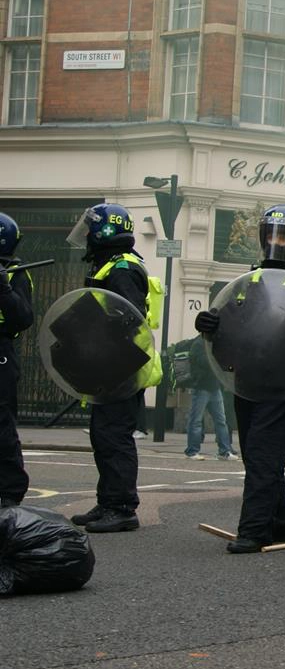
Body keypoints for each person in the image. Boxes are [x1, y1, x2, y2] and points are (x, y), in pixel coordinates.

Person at [195, 205, 285, 553]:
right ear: (263, 238)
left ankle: (254, 530)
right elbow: (230, 326)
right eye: (272, 234)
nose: (277, 241)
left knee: (263, 455)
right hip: (246, 381)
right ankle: (279, 524)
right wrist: (210, 325)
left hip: (282, 383)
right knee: (257, 455)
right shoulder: (247, 282)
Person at [66, 203, 160, 534]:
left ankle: (121, 507)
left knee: (114, 437)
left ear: (104, 232)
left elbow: (126, 317)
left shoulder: (121, 268)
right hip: (111, 364)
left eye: (91, 230)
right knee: (103, 434)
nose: (87, 237)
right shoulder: (112, 264)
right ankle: (108, 501)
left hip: (121, 365)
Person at [0, 213, 35, 508]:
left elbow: (23, 318)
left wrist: (4, 290)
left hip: (0, 350)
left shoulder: (16, 273)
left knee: (1, 425)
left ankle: (10, 490)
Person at [181, 334, 237, 462]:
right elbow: (204, 362)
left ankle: (224, 451)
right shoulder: (200, 344)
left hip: (213, 386)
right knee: (197, 420)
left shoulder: (209, 344)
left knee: (220, 420)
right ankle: (193, 450)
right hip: (202, 387)